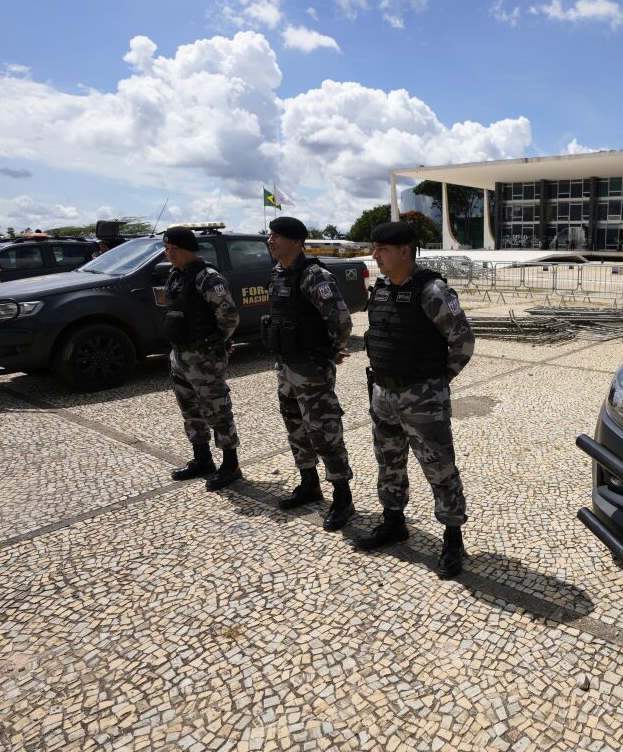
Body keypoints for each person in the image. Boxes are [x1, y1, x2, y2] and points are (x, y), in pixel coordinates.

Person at [355, 221, 475, 579]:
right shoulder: (380, 290)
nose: (375, 255)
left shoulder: (433, 290)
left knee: (439, 467)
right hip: (383, 394)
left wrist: (437, 382)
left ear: (404, 251)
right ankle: (394, 522)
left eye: (382, 249)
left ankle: (453, 539)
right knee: (389, 461)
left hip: (421, 396)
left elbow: (463, 342)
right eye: (374, 248)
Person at [264, 216, 356, 531]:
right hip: (285, 366)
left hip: (312, 369)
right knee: (295, 426)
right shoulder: (277, 275)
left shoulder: (314, 276)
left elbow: (342, 322)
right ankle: (309, 483)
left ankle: (343, 497)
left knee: (324, 431)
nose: (270, 240)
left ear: (296, 242)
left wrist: (327, 353)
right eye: (270, 235)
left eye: (277, 236)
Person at [162, 226, 242, 490]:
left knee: (217, 409)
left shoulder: (208, 278)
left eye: (175, 248)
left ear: (189, 250)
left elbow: (229, 317)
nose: (169, 253)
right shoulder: (175, 276)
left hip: (203, 356)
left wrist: (214, 343)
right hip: (180, 355)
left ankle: (230, 465)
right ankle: (202, 459)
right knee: (190, 410)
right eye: (167, 248)